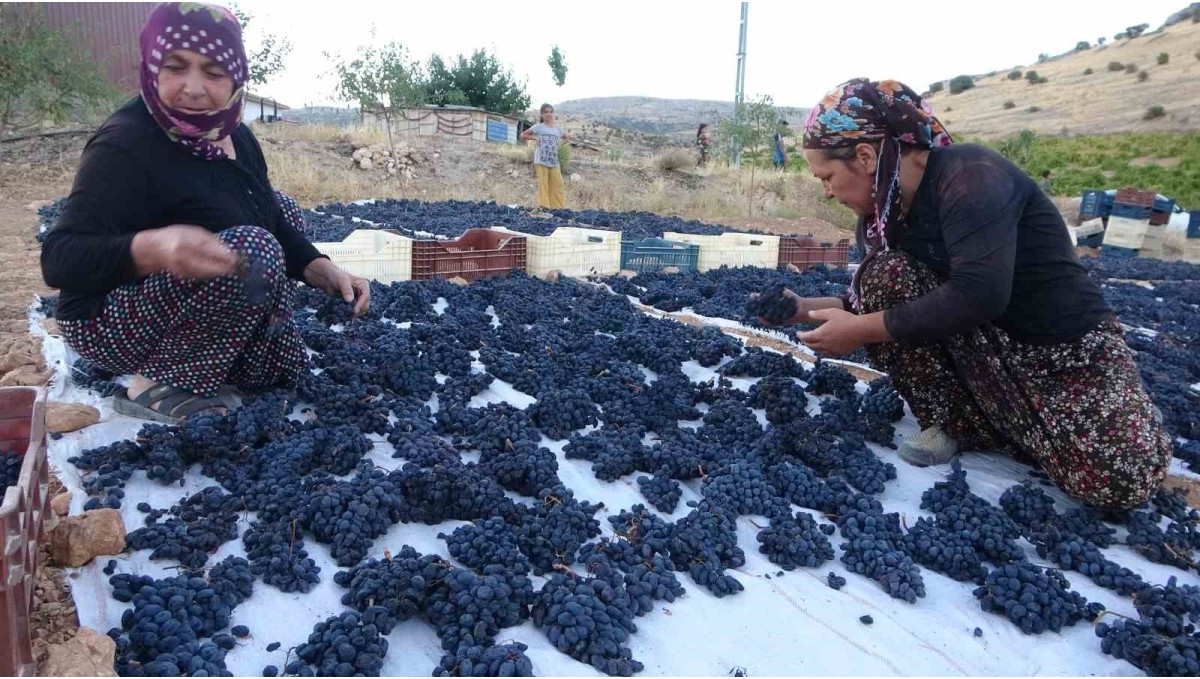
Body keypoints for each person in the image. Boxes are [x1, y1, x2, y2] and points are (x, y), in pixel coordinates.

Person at [763, 77, 1169, 511]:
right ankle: (963, 423)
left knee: (1120, 480)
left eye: (826, 177)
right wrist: (803, 310)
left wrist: (860, 329)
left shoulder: (971, 177)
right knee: (884, 275)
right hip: (985, 351)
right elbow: (874, 303)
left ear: (864, 156)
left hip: (1062, 351)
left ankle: (1045, 420)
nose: (827, 191)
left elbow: (979, 294)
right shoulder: (885, 213)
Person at [40, 2, 370, 424]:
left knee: (274, 366)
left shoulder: (236, 135)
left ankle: (202, 359)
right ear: (153, 66)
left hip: (186, 307)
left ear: (236, 77)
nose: (193, 88)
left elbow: (270, 214)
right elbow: (60, 258)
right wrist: (152, 248)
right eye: (176, 67)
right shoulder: (125, 144)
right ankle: (156, 385)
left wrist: (322, 269)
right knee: (254, 246)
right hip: (108, 319)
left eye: (213, 72)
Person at [520, 104, 570, 209]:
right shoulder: (539, 127)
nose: (548, 114)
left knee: (558, 185)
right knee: (543, 186)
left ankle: (558, 209)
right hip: (541, 161)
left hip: (554, 161)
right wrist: (535, 139)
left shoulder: (557, 129)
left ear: (553, 113)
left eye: (550, 112)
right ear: (542, 114)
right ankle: (545, 209)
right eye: (546, 112)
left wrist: (559, 145)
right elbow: (523, 135)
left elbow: (566, 138)